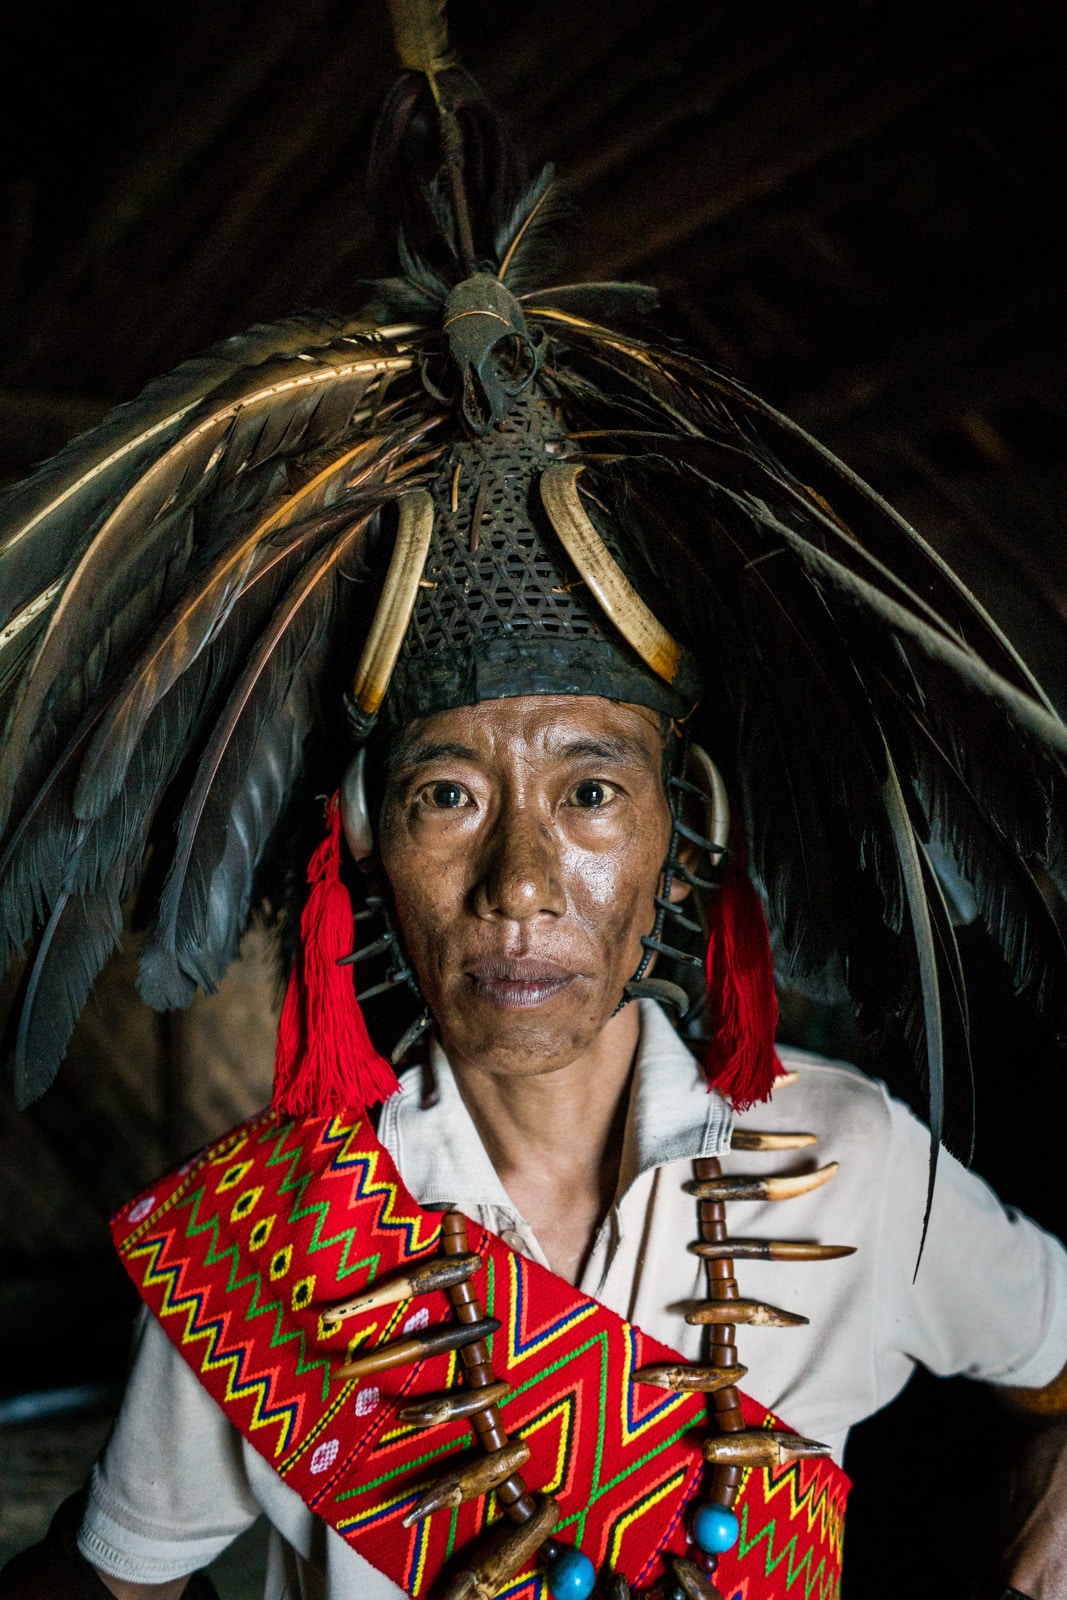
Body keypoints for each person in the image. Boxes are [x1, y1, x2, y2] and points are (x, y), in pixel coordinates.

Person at [1, 4, 1065, 1597]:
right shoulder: (266, 1262)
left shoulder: (858, 1171)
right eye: (445, 793)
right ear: (360, 838)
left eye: (587, 789)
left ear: (676, 823)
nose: (520, 879)